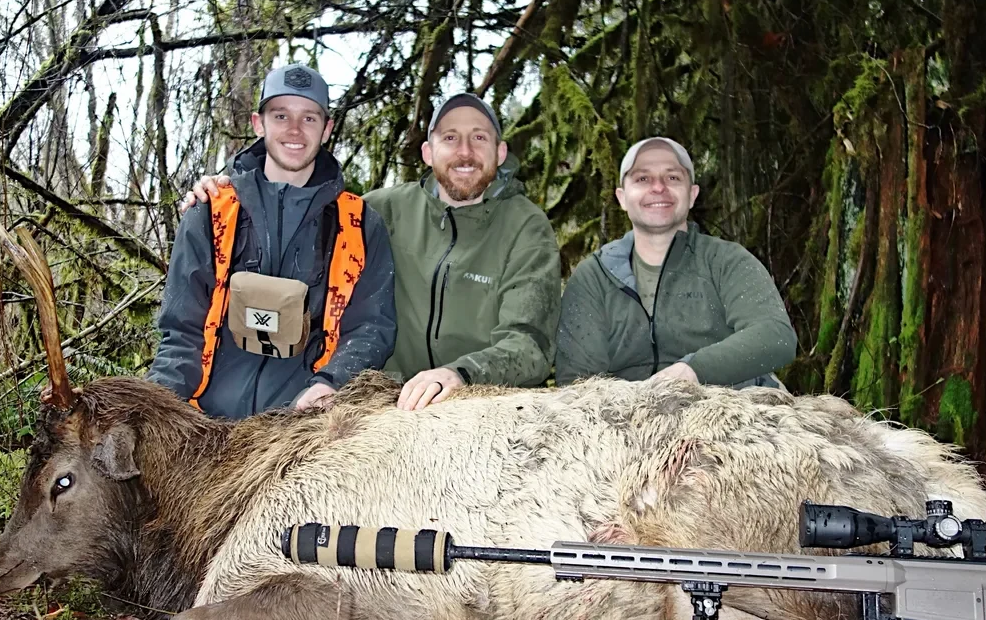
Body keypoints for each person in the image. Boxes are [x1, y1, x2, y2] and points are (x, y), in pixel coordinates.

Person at [181, 92, 561, 411]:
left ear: (500, 150)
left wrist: (460, 373)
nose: (464, 151)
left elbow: (530, 345)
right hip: (383, 406)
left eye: (479, 138)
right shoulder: (379, 210)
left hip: (480, 404)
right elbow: (298, 217)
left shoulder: (526, 226)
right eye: (450, 138)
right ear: (428, 152)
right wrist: (227, 188)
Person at [149, 64, 396, 419]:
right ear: (258, 123)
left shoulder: (357, 223)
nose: (295, 130)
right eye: (281, 115)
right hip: (208, 425)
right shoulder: (211, 211)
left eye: (309, 118)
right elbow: (180, 330)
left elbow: (372, 327)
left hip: (303, 430)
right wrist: (159, 408)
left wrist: (332, 383)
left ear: (326, 129)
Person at [555, 136, 796, 388]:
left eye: (672, 178)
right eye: (642, 178)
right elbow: (576, 380)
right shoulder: (594, 277)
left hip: (728, 406)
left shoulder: (727, 261)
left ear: (692, 195)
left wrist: (693, 370)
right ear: (622, 198)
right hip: (626, 414)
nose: (658, 187)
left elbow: (775, 336)